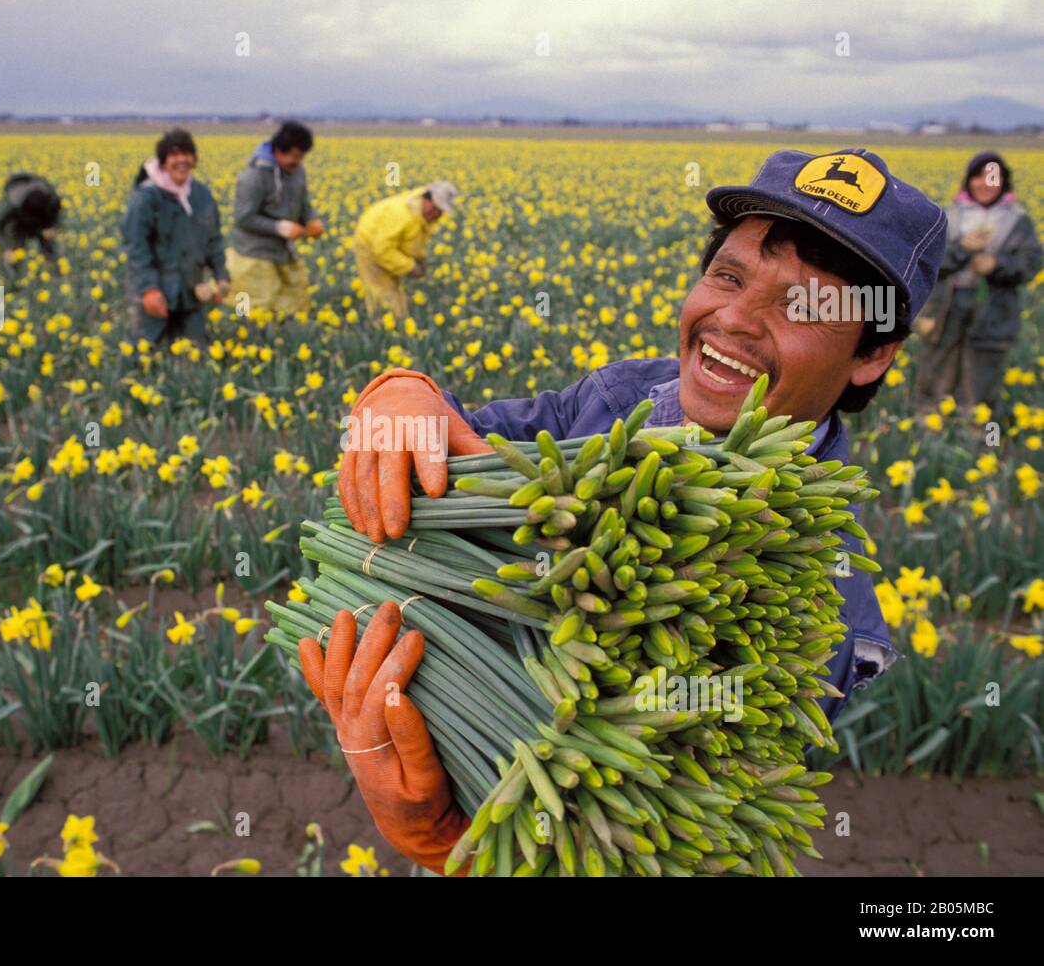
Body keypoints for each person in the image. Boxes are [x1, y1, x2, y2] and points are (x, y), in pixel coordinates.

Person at [304, 148, 947, 875]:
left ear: (872, 354)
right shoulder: (614, 401)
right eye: (728, 276)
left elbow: (676, 820)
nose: (734, 319)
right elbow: (464, 439)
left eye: (803, 306)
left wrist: (455, 835)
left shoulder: (826, 605)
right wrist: (404, 395)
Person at [915, 151, 1042, 415]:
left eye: (994, 179)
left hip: (992, 311)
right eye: (980, 177)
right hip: (946, 307)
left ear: (1004, 183)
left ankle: (983, 441)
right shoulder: (948, 215)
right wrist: (961, 249)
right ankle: (929, 438)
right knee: (936, 372)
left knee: (982, 381)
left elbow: (1031, 265)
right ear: (969, 180)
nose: (986, 184)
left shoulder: (1018, 221)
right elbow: (928, 262)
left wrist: (997, 265)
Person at [121, 127, 229, 355]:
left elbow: (214, 241)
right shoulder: (146, 198)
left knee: (196, 354)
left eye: (187, 154)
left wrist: (221, 277)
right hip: (156, 292)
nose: (181, 160)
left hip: (190, 292)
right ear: (163, 162)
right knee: (141, 354)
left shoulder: (201, 195)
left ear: (194, 160)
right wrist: (148, 290)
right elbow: (136, 248)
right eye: (173, 154)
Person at [226, 121, 324, 317]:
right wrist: (279, 227)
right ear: (278, 151)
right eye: (295, 156)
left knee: (292, 303)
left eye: (302, 156)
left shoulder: (297, 172)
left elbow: (304, 203)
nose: (299, 161)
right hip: (254, 252)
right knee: (254, 307)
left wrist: (312, 220)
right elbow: (243, 218)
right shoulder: (253, 177)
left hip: (282, 250)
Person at [352, 181, 458, 320]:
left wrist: (420, 258)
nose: (438, 214)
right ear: (427, 199)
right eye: (437, 208)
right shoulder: (402, 214)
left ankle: (398, 323)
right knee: (383, 293)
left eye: (441, 211)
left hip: (386, 246)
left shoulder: (422, 214)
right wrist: (410, 267)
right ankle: (384, 328)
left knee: (395, 290)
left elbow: (414, 239)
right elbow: (382, 250)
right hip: (369, 245)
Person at [0, 172, 61, 269]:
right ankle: (16, 275)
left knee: (49, 249)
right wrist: (5, 248)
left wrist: (53, 227)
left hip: (44, 221)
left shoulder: (51, 197)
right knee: (15, 251)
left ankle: (54, 272)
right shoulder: (10, 204)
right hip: (20, 223)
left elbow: (57, 213)